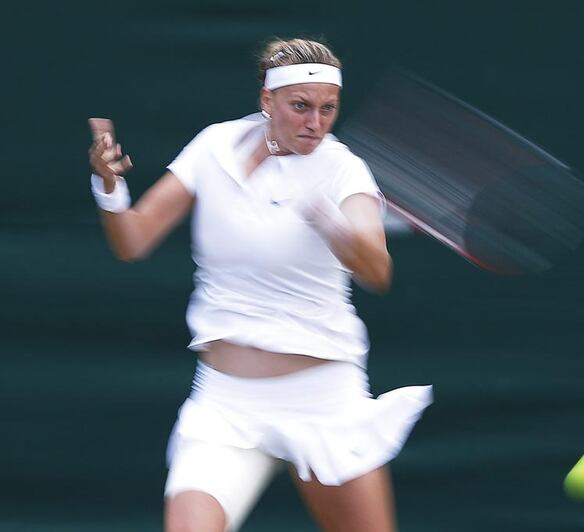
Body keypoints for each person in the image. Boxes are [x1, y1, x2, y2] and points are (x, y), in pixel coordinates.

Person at [87, 37, 432, 532]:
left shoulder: (342, 169)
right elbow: (133, 241)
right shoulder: (214, 147)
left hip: (323, 403)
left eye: (328, 109)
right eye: (300, 106)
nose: (315, 123)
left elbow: (377, 271)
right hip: (225, 406)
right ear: (267, 100)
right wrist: (108, 186)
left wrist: (326, 218)